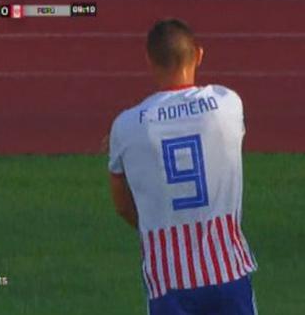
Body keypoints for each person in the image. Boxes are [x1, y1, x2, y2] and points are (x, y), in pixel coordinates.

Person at [108, 18, 257, 315]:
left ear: (149, 59)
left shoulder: (127, 125)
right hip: (227, 270)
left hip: (168, 281)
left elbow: (122, 204)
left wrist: (157, 222)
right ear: (199, 55)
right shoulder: (227, 104)